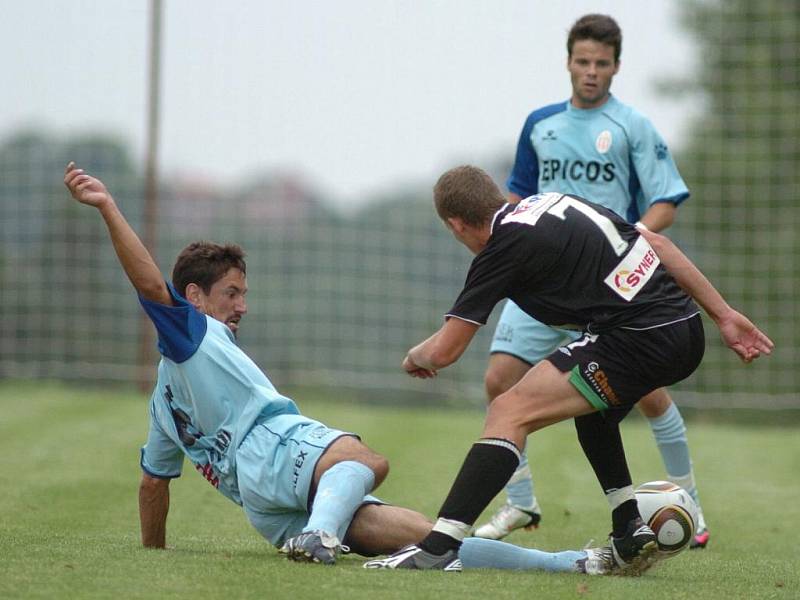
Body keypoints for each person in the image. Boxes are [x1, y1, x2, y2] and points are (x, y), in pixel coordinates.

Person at [63, 162, 616, 575]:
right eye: (231, 293)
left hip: (265, 508)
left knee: (429, 540)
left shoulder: (163, 401)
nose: (242, 306)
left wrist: (152, 559)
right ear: (194, 298)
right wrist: (109, 206)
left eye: (244, 293)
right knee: (364, 458)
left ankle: (570, 564)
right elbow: (147, 284)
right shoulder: (192, 330)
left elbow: (153, 483)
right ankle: (322, 534)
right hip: (277, 448)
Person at [367, 165, 772, 572]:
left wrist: (414, 356)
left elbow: (444, 352)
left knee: (509, 410)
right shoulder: (551, 202)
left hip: (637, 337)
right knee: (593, 410)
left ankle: (437, 547)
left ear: (455, 224)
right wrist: (723, 316)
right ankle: (629, 528)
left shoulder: (502, 247)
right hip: (684, 329)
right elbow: (654, 241)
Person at [474, 13, 711, 550]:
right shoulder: (540, 124)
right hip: (546, 281)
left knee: (649, 392)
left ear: (616, 67)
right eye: (582, 61)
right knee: (499, 381)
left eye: (601, 64)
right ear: (568, 62)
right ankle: (520, 502)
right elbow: (518, 197)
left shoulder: (632, 126)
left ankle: (691, 501)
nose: (590, 72)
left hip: (614, 286)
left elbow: (666, 201)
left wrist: (628, 244)